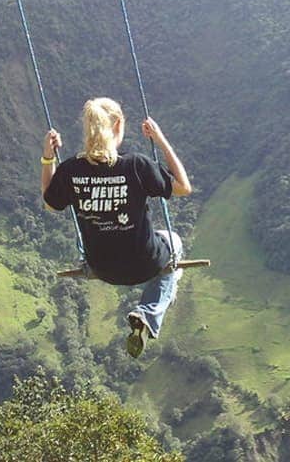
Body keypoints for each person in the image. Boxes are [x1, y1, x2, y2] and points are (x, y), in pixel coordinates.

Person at [40, 97, 192, 357]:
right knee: (174, 242)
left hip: (102, 267)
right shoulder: (137, 165)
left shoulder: (70, 170)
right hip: (145, 263)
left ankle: (144, 315)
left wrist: (47, 158)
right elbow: (183, 187)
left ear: (87, 129)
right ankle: (146, 313)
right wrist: (160, 139)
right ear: (119, 125)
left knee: (89, 242)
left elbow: (50, 205)